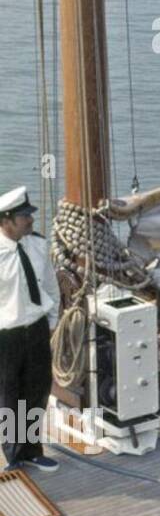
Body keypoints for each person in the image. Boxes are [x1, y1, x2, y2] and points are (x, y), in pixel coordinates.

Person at [0, 187, 61, 473]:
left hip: (36, 330)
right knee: (8, 396)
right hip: (6, 336)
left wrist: (50, 323)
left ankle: (32, 449)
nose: (31, 220)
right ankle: (12, 455)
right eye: (24, 216)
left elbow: (51, 287)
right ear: (7, 220)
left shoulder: (37, 245)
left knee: (37, 392)